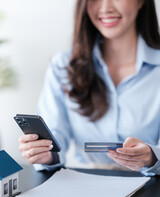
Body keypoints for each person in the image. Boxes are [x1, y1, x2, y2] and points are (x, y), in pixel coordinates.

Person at [19, 0, 160, 176]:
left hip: (150, 189)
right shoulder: (63, 66)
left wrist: (152, 157)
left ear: (140, 2)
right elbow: (55, 138)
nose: (105, 8)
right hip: (83, 188)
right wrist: (44, 153)